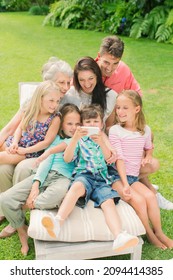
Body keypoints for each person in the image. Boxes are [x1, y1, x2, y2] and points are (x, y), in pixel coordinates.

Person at [41, 104, 139, 253]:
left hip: (102, 179)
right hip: (84, 175)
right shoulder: (79, 140)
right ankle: (58, 221)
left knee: (108, 202)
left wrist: (101, 142)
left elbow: (108, 159)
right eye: (88, 122)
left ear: (101, 124)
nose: (92, 125)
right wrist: (75, 139)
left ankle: (119, 236)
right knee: (75, 188)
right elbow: (67, 159)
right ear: (82, 124)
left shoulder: (103, 139)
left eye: (95, 122)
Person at [96, 35, 173, 210]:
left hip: (121, 123)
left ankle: (147, 188)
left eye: (115, 63)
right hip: (102, 129)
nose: (110, 68)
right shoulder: (90, 71)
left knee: (145, 140)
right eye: (107, 63)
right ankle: (149, 189)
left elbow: (136, 97)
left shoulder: (123, 70)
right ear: (99, 56)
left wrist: (131, 125)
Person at [0, 58, 74, 235]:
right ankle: (6, 209)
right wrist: (10, 142)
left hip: (39, 153)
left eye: (68, 83)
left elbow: (51, 140)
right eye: (60, 82)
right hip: (19, 146)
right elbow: (14, 127)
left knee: (22, 167)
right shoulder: (33, 103)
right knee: (3, 168)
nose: (65, 87)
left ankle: (18, 212)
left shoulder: (61, 107)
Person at [0, 104, 81, 255]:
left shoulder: (81, 141)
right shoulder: (56, 139)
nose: (74, 127)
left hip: (63, 178)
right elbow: (47, 161)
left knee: (54, 196)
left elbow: (69, 158)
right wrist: (36, 184)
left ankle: (19, 207)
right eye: (69, 123)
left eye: (77, 124)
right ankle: (22, 231)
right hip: (44, 174)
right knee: (4, 199)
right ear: (62, 124)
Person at [108, 90, 173, 249]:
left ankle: (159, 232)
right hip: (116, 176)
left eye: (125, 108)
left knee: (150, 196)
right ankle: (150, 235)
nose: (120, 112)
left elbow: (148, 147)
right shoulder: (115, 131)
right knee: (139, 200)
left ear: (137, 109)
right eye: (118, 108)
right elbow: (119, 159)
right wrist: (125, 184)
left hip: (132, 176)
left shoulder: (145, 130)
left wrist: (148, 156)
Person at [0, 80, 61, 165]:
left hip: (29, 152)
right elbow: (20, 128)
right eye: (51, 100)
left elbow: (46, 142)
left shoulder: (55, 119)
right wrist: (14, 143)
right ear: (40, 98)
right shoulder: (30, 111)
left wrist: (25, 150)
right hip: (16, 144)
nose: (55, 105)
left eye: (57, 101)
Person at [61, 56, 117, 128]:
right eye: (82, 80)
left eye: (90, 78)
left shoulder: (111, 96)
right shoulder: (69, 95)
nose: (87, 84)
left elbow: (109, 127)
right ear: (77, 80)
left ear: (97, 76)